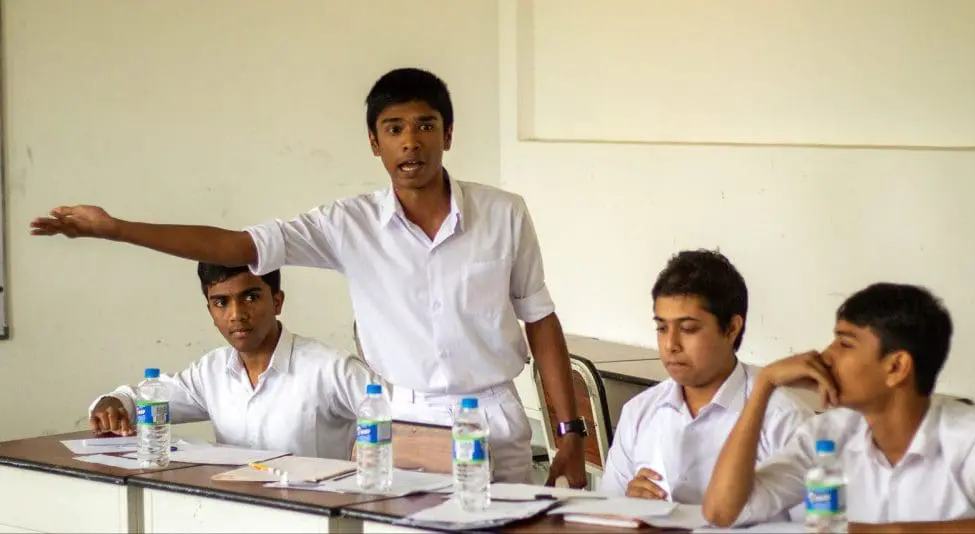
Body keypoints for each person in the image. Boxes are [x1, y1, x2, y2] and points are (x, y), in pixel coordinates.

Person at [35, 68, 586, 485]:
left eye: (425, 125)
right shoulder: (349, 225)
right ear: (374, 142)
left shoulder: (504, 214)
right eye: (394, 129)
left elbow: (540, 321)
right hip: (406, 419)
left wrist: (570, 433)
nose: (411, 142)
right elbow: (237, 246)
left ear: (448, 134)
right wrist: (117, 229)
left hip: (494, 414)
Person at [703, 283, 975, 526]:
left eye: (845, 344)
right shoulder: (827, 435)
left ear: (896, 367)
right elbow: (722, 512)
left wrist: (896, 533)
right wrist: (764, 386)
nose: (825, 356)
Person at [88, 263, 375, 459]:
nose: (236, 314)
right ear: (210, 310)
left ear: (277, 301)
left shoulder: (330, 368)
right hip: (233, 514)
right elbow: (145, 398)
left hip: (315, 517)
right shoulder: (211, 371)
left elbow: (395, 418)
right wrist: (114, 404)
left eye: (250, 297)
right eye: (221, 302)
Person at [600, 250, 812, 515]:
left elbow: (816, 525)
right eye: (662, 328)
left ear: (731, 328)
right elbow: (605, 515)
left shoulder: (783, 420)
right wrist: (629, 507)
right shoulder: (639, 412)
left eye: (688, 329)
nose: (671, 344)